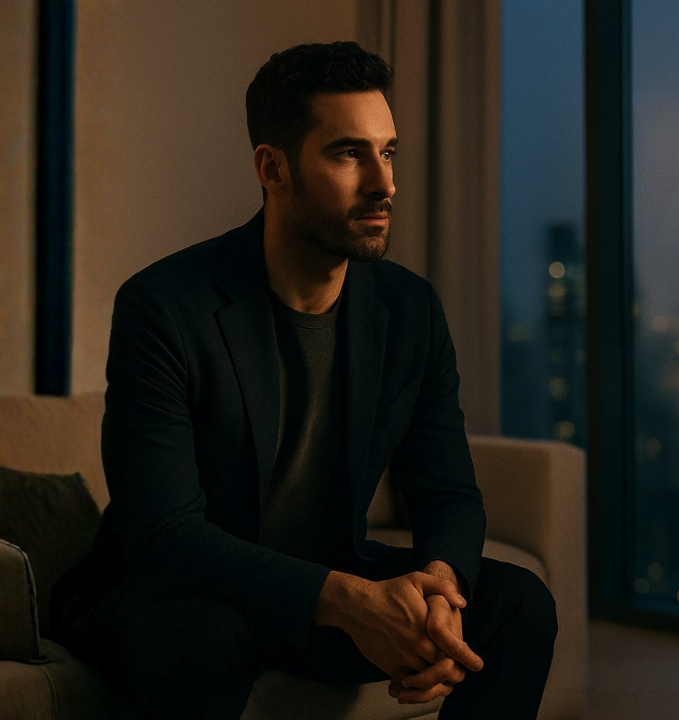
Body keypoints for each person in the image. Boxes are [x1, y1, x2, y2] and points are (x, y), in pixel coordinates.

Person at [49, 41, 556, 719]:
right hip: (182, 592)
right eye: (350, 154)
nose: (385, 183)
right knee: (202, 638)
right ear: (273, 168)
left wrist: (439, 592)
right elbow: (165, 536)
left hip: (326, 578)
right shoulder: (165, 306)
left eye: (389, 151)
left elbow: (449, 493)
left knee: (520, 604)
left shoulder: (409, 310)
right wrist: (350, 600)